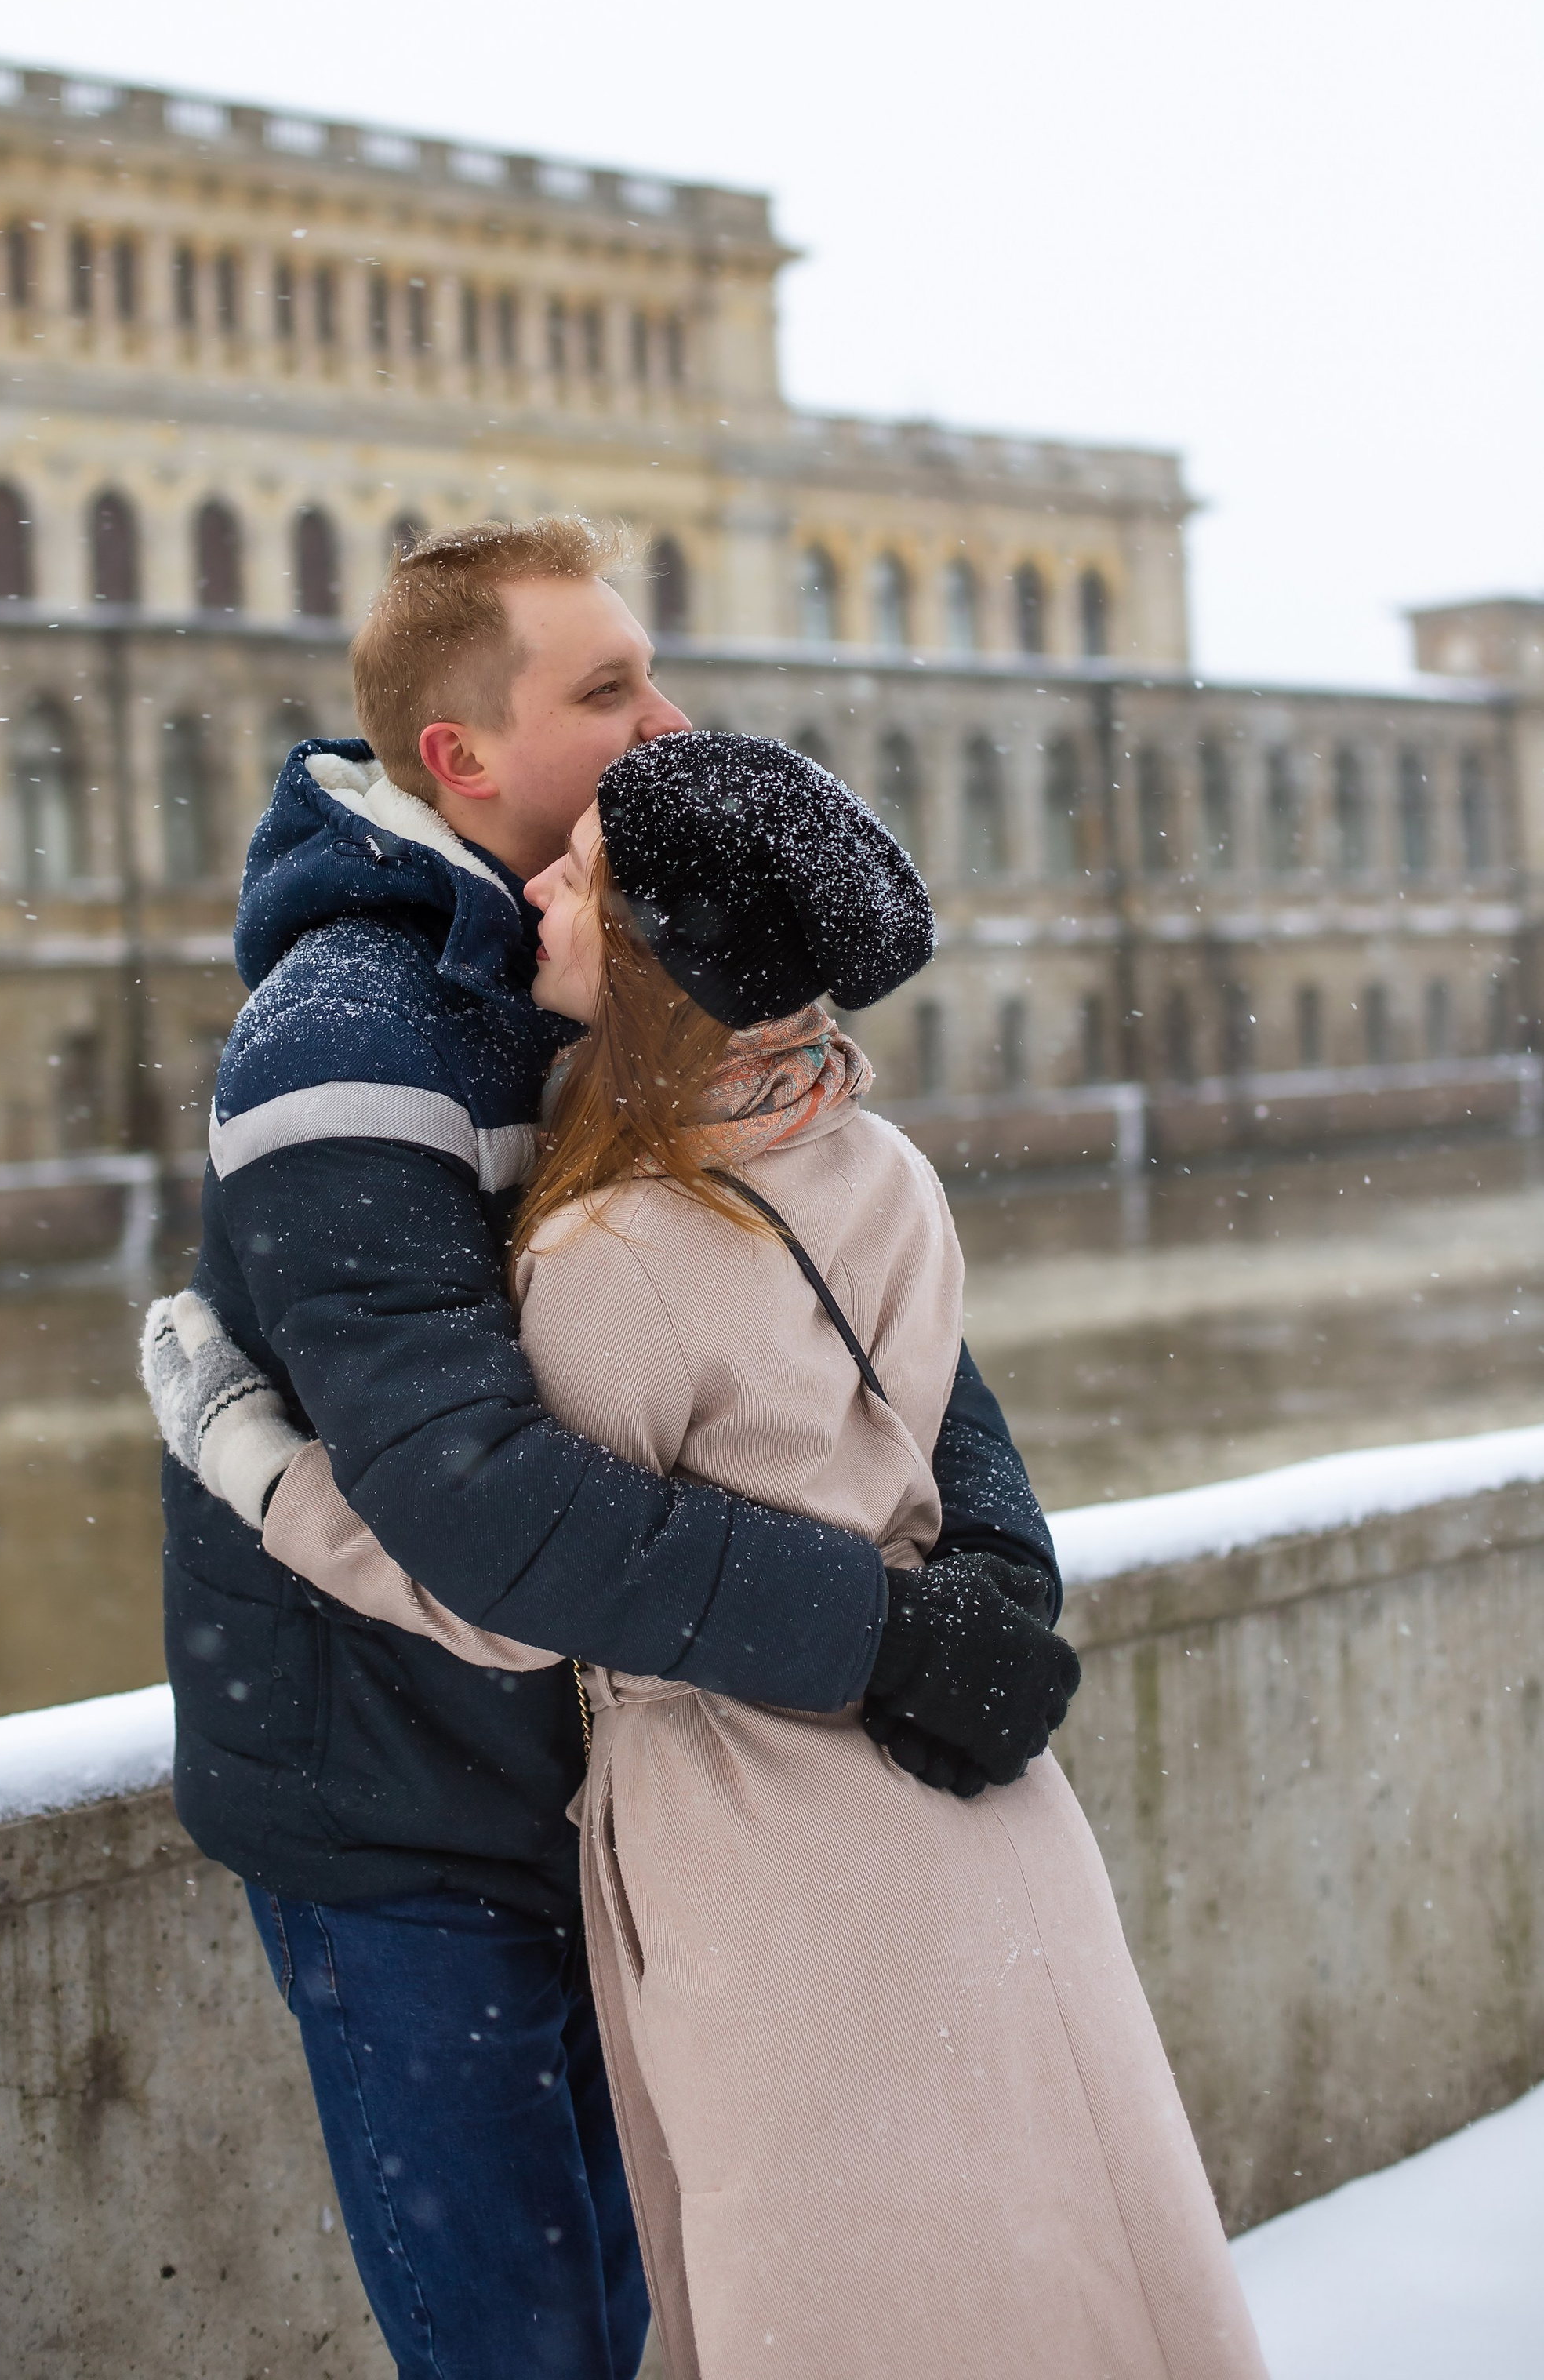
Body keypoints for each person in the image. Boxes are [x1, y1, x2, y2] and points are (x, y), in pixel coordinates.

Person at [213, 729, 1269, 2380]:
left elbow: (504, 1584)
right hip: (968, 1822)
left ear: (650, 966)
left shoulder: (618, 1250)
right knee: (1032, 2274)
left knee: (826, 2296)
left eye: (582, 879)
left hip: (767, 1840)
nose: (538, 881)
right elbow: (924, 1442)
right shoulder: (881, 1164)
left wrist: (251, 1461)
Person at [142, 518, 1076, 2380]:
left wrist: (991, 1559)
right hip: (412, 1827)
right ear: (456, 758)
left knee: (675, 2320)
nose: (667, 720)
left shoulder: (614, 979)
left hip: (631, 1786)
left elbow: (859, 1320)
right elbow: (483, 1507)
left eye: (650, 675)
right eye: (605, 691)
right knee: (532, 2346)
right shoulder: (350, 1041)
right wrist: (892, 1640)